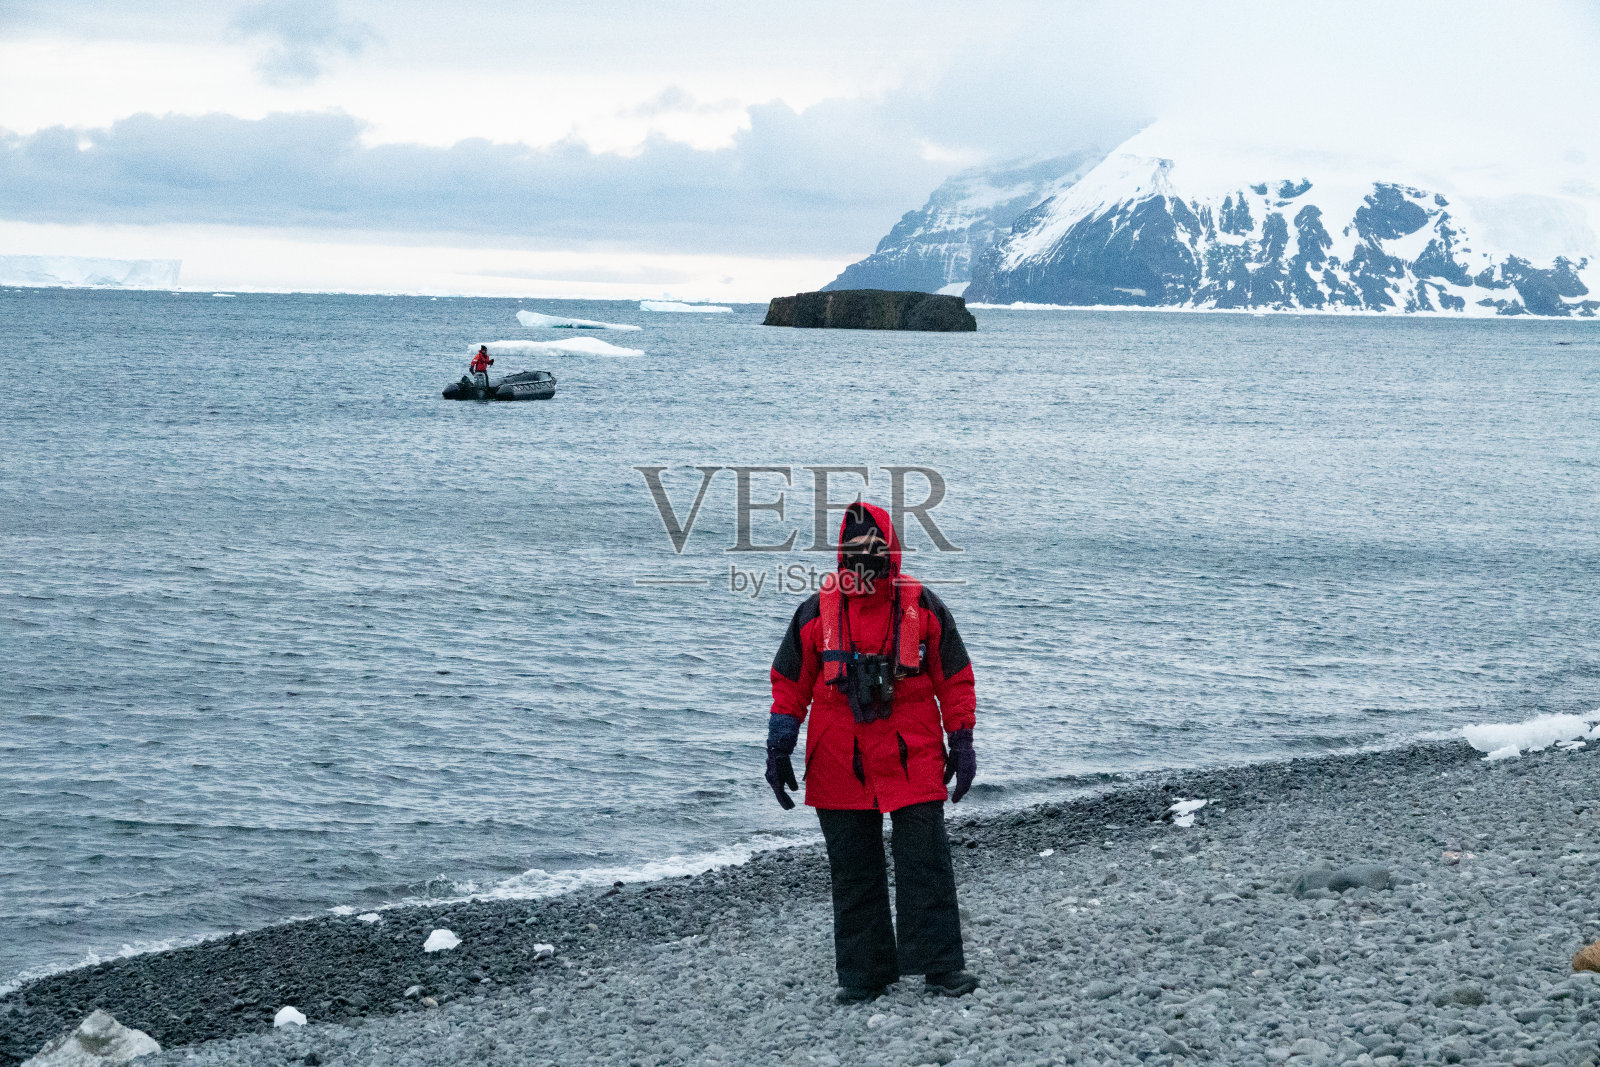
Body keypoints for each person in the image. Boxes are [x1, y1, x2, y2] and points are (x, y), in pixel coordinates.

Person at [766, 500, 979, 1003]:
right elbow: (789, 684)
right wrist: (779, 745)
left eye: (875, 547)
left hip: (913, 751)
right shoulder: (815, 612)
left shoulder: (923, 606)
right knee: (853, 867)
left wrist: (962, 739)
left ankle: (941, 967)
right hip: (839, 756)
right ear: (842, 553)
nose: (866, 557)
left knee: (925, 860)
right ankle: (864, 974)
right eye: (856, 548)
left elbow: (955, 677)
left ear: (891, 549)